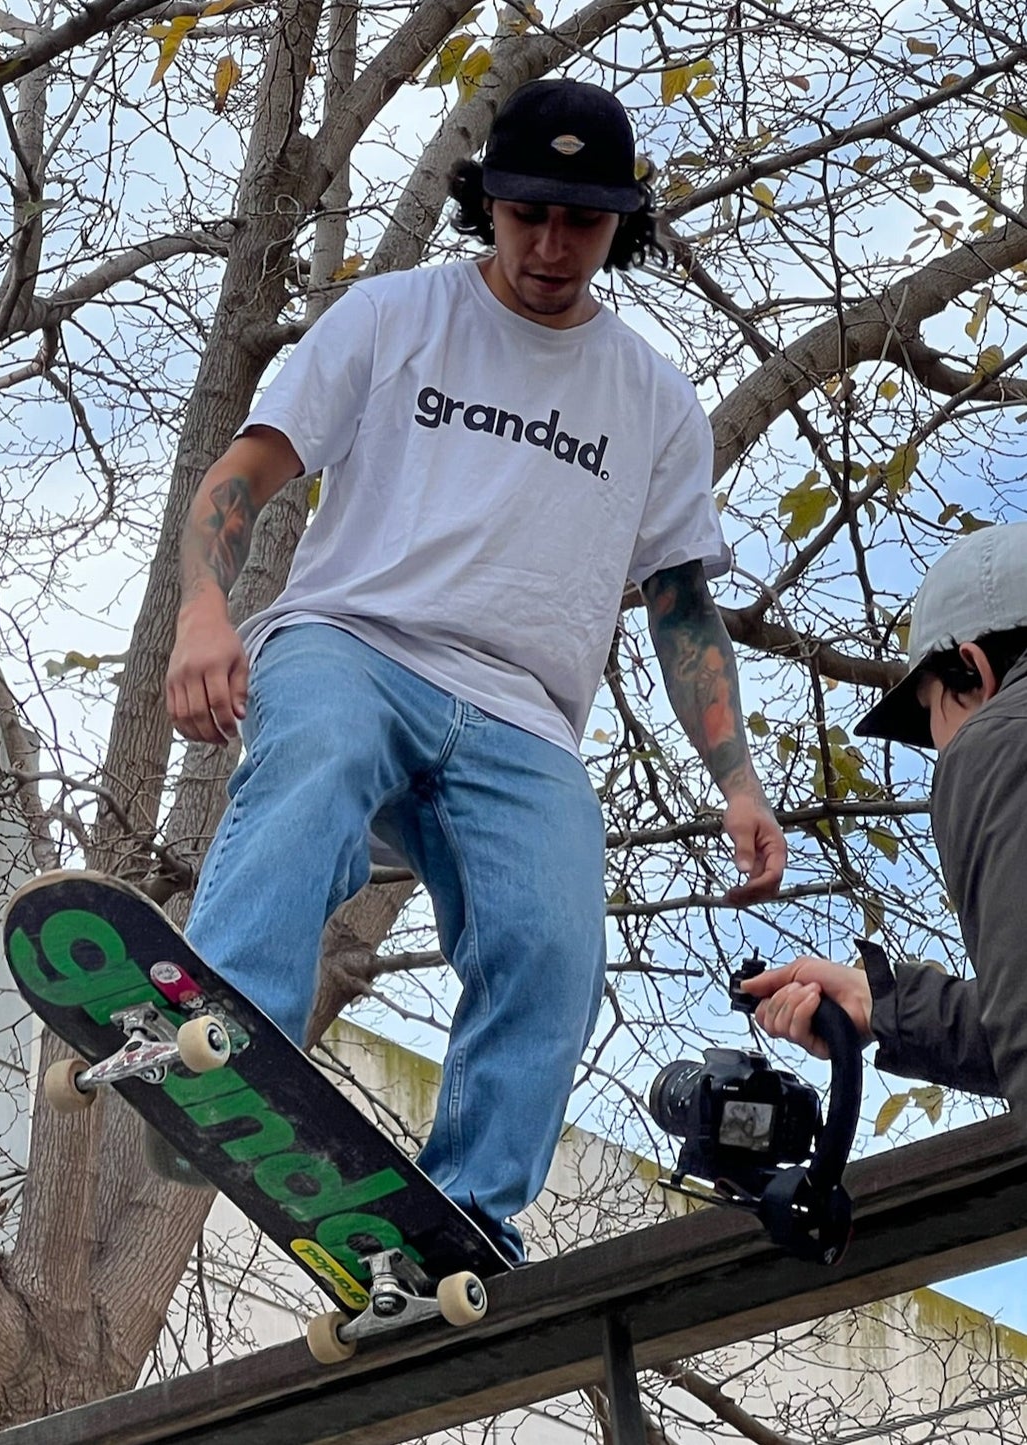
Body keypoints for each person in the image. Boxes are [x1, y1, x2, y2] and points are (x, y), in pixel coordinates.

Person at [165, 78, 786, 1262]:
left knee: (553, 946)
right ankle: (221, 1041)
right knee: (314, 763)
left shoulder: (652, 397)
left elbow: (680, 603)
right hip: (357, 643)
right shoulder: (391, 317)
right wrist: (204, 608)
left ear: (621, 225)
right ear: (485, 203)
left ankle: (458, 1219)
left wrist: (737, 778)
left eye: (582, 223)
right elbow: (244, 473)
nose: (550, 248)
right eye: (526, 214)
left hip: (524, 718)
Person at [741, 521, 1027, 1115]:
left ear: (971, 672)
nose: (943, 747)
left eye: (930, 718)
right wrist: (883, 1004)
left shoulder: (997, 743)